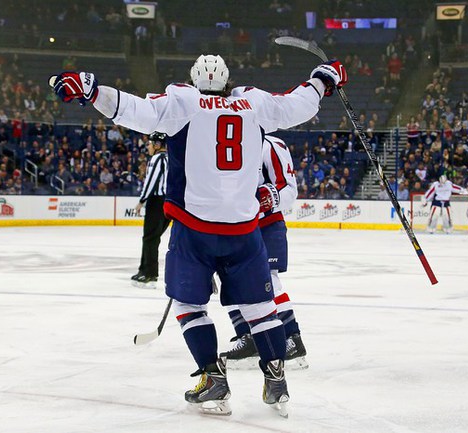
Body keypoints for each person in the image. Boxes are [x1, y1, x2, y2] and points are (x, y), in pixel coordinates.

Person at [51, 53, 346, 417]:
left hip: (194, 230)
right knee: (260, 308)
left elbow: (134, 110)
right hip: (244, 231)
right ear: (227, 81)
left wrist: (92, 91)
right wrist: (321, 80)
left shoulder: (184, 101)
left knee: (189, 305)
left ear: (193, 80)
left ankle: (213, 377)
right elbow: (296, 105)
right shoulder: (254, 102)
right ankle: (276, 379)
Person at [220, 134, 308, 370]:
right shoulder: (222, 138)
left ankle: (292, 338)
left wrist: (262, 200)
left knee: (268, 281)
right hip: (234, 227)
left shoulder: (270, 145)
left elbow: (288, 189)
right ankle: (248, 337)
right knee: (230, 280)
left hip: (266, 226)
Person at [131, 132, 171, 287]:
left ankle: (150, 274)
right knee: (153, 238)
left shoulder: (157, 159)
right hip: (167, 201)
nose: (148, 146)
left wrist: (142, 201)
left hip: (156, 202)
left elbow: (151, 181)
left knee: (150, 238)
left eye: (150, 143)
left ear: (157, 145)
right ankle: (144, 270)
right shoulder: (170, 158)